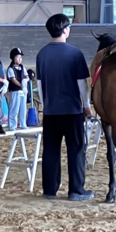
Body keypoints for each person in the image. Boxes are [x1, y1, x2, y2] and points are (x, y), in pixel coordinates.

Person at [36, 13, 93, 201]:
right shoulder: (75, 53)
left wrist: (45, 107)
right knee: (76, 149)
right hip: (72, 111)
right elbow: (81, 84)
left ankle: (50, 190)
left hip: (51, 112)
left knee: (51, 150)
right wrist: (86, 105)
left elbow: (40, 85)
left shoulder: (41, 54)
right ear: (65, 30)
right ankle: (76, 190)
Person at [7, 48, 29, 131]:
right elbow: (13, 79)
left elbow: (27, 76)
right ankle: (12, 125)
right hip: (15, 91)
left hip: (22, 91)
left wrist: (25, 81)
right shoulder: (11, 69)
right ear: (13, 58)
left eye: (20, 57)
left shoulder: (23, 67)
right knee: (14, 108)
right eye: (17, 57)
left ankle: (23, 123)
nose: (19, 59)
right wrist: (21, 85)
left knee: (23, 108)